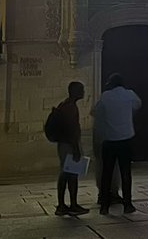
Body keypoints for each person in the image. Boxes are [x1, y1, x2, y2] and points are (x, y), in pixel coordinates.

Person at [92, 74, 141, 215]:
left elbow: (96, 112)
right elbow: (138, 105)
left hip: (109, 140)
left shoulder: (105, 96)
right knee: (126, 173)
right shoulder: (129, 94)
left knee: (107, 173)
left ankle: (105, 206)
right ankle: (128, 204)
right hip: (125, 139)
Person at [52, 81, 89, 217]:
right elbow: (71, 129)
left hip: (64, 144)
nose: (83, 92)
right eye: (81, 89)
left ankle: (64, 205)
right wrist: (76, 149)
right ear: (74, 91)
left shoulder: (65, 104)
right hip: (69, 145)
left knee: (66, 174)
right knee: (71, 175)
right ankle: (70, 205)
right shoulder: (71, 108)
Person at [93, 103, 122, 208]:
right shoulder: (106, 120)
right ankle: (108, 194)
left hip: (105, 146)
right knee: (109, 170)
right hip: (107, 146)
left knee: (105, 170)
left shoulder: (98, 121)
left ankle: (107, 193)